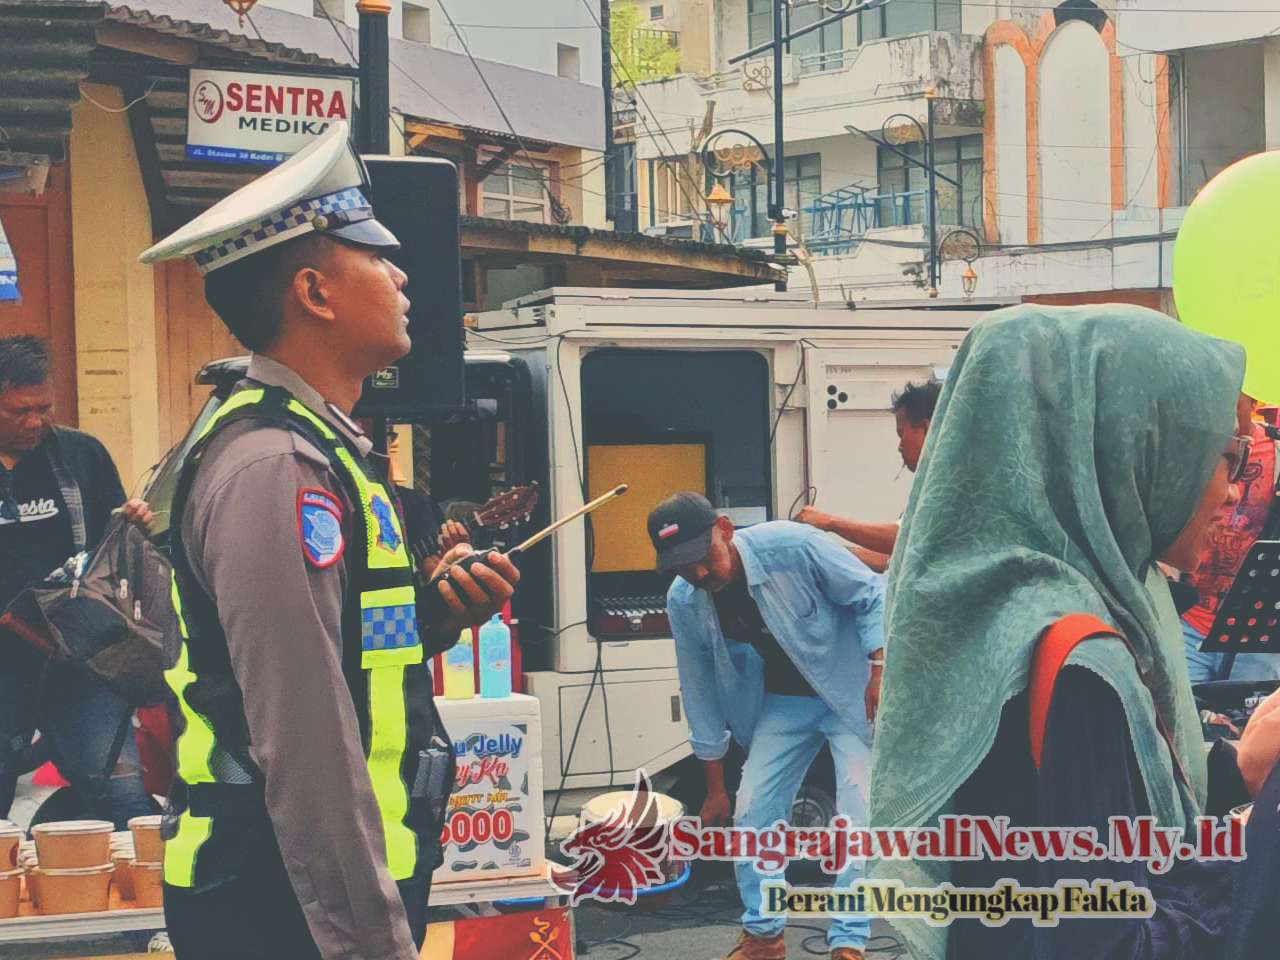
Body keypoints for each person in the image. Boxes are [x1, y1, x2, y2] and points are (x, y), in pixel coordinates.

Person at [138, 122, 518, 960]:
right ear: (314, 292)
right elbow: (302, 734)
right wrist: (369, 942)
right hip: (289, 908)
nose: (402, 274)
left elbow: (349, 653)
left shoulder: (323, 448)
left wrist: (436, 618)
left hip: (315, 893)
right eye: (376, 257)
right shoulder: (277, 466)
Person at [869, 304, 1280, 960]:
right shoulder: (1080, 660)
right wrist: (1257, 860)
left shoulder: (1002, 609)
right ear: (1126, 447)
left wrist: (1231, 771)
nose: (1234, 492)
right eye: (1224, 457)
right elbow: (1108, 941)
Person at [650, 492, 884, 960]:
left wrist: (880, 666)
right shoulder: (685, 600)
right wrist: (715, 787)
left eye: (702, 557)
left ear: (725, 529)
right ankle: (763, 936)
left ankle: (850, 941)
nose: (697, 573)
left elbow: (871, 593)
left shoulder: (795, 547)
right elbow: (699, 691)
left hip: (851, 690)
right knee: (752, 809)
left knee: (858, 815)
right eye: (680, 566)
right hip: (784, 701)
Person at [0, 335, 154, 828]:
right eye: (18, 411)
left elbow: (112, 547)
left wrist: (132, 524)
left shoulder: (80, 454)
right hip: (5, 665)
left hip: (78, 657)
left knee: (125, 801)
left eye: (43, 407)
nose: (34, 422)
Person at [1180, 394, 1280, 682]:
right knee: (1185, 722)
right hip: (1189, 621)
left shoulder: (1276, 449)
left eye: (1235, 401)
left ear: (1251, 402)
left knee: (1246, 723)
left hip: (1258, 634)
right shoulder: (1193, 448)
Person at [796, 379, 940, 572]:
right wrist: (828, 551)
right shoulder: (930, 484)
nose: (899, 446)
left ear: (927, 429)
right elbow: (891, 559)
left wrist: (830, 522)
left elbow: (904, 538)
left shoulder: (952, 485)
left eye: (901, 434)